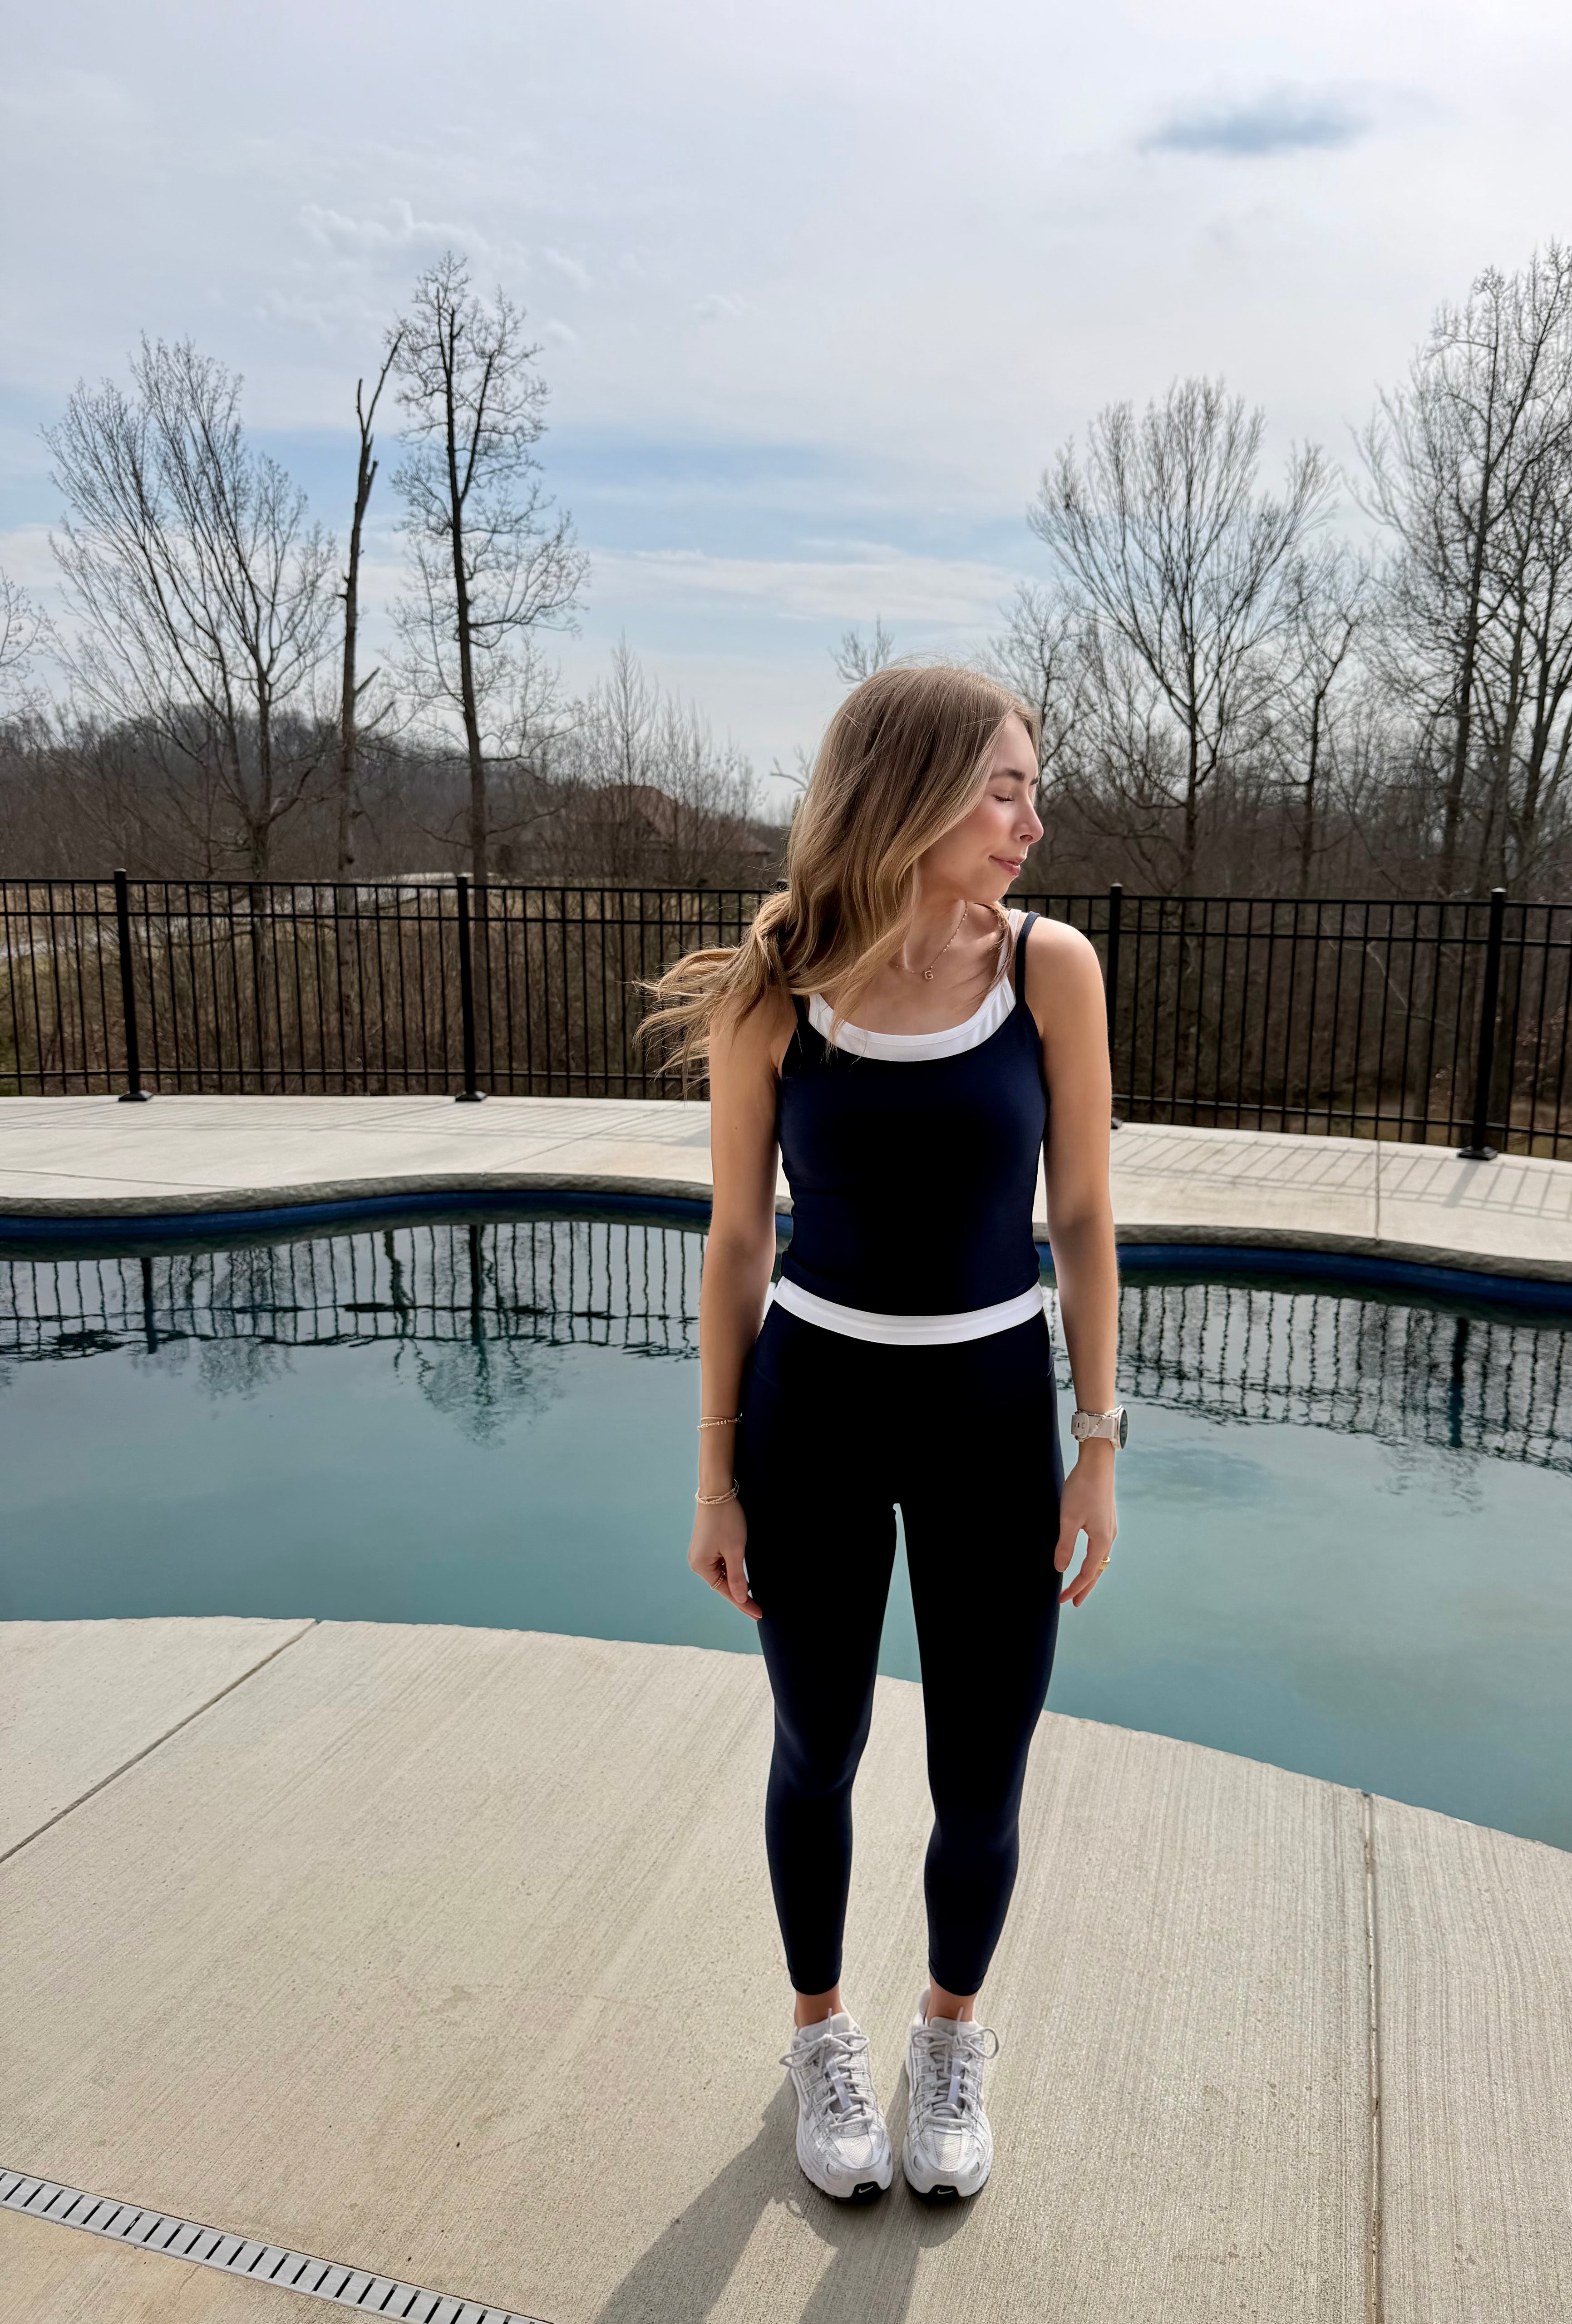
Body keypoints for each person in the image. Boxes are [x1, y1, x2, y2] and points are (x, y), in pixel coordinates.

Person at [644, 664, 1123, 2206]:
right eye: (1004, 788)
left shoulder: (1052, 972)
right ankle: (818, 2035)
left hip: (993, 1416)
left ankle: (950, 2037)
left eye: (1031, 788)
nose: (1031, 822)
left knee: (985, 1771)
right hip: (817, 1414)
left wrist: (1099, 1441)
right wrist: (714, 1475)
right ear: (910, 788)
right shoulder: (778, 987)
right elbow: (733, 1244)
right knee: (819, 1746)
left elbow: (1088, 1215)